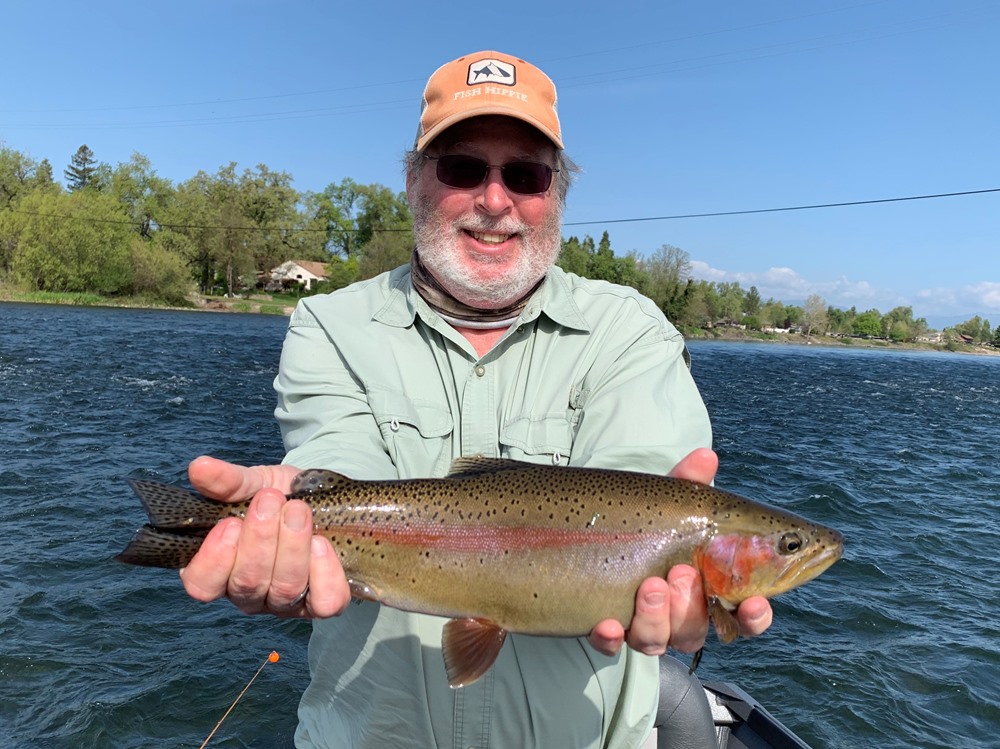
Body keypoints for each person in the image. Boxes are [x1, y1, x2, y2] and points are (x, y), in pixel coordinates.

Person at [180, 50, 773, 748]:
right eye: (463, 168)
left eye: (525, 174)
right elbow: (342, 462)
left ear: (557, 194)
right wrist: (289, 523)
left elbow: (635, 495)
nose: (495, 201)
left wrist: (686, 592)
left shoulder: (632, 331)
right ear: (413, 181)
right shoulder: (329, 326)